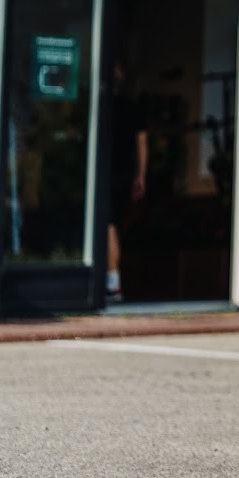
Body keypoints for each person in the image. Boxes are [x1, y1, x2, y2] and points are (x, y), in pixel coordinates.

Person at [105, 62, 148, 303]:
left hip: (108, 174)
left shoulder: (103, 105)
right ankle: (110, 280)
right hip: (125, 174)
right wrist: (140, 175)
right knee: (113, 226)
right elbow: (142, 143)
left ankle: (113, 283)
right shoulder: (132, 107)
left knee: (107, 226)